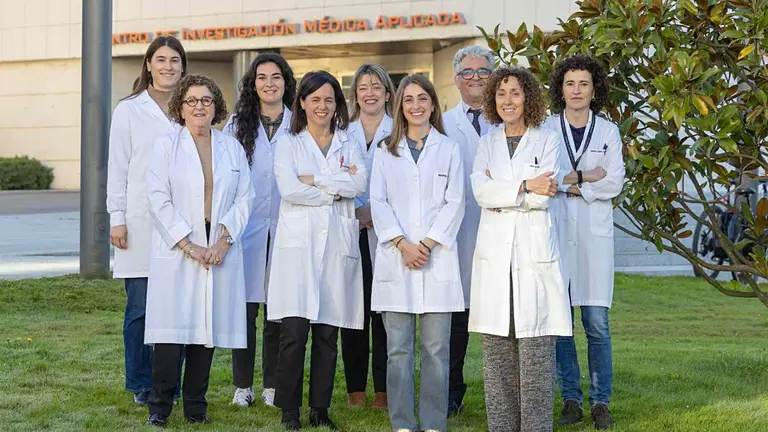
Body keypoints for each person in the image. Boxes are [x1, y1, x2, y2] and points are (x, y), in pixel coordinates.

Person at [144, 74, 253, 427]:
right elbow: (157, 198)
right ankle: (160, 407)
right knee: (170, 334)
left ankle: (195, 407)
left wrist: (224, 242)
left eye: (206, 100)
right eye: (191, 100)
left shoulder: (230, 147)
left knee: (205, 331)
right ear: (181, 106)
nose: (199, 107)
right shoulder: (166, 146)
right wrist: (188, 244)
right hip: (180, 247)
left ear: (216, 106)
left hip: (217, 247)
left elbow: (245, 198)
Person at [468, 66, 572, 432]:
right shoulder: (486, 143)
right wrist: (526, 185)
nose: (507, 100)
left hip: (533, 256)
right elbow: (480, 192)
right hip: (496, 257)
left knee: (536, 357)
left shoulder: (547, 139)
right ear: (492, 99)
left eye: (515, 92)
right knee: (497, 356)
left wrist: (507, 191)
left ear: (528, 97)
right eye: (501, 93)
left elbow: (546, 197)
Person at [268, 71, 369, 430]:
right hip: (298, 249)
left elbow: (359, 183)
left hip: (336, 247)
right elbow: (289, 189)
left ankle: (319, 410)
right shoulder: (288, 144)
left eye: (329, 99)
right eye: (315, 99)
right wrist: (333, 191)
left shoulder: (348, 142)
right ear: (302, 103)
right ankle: (289, 411)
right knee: (294, 334)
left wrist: (316, 179)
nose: (322, 106)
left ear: (337, 104)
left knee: (328, 335)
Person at [370, 74, 465, 432]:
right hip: (398, 259)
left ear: (432, 104)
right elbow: (377, 201)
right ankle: (403, 424)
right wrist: (403, 245)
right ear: (400, 107)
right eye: (408, 100)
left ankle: (433, 424)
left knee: (436, 353)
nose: (416, 106)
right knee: (398, 351)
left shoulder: (449, 149)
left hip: (435, 259)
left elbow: (456, 202)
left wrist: (424, 245)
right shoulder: (384, 150)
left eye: (422, 98)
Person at [542, 54, 624, 430]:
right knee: (561, 324)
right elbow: (547, 178)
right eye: (570, 83)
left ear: (595, 90)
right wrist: (586, 176)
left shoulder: (608, 132)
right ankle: (571, 399)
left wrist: (574, 183)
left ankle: (601, 400)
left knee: (596, 324)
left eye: (584, 84)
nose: (576, 91)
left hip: (593, 237)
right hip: (557, 233)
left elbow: (615, 182)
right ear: (561, 89)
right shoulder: (544, 129)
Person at [106, 36, 187, 407]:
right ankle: (141, 382)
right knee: (139, 308)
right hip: (139, 222)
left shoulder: (191, 107)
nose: (168, 66)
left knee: (177, 308)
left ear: (183, 67)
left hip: (182, 224)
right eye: (161, 60)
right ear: (148, 65)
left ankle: (171, 383)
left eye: (174, 60)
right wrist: (117, 218)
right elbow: (118, 167)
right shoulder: (129, 110)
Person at [223, 52, 296, 408]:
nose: (269, 83)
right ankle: (242, 385)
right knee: (245, 310)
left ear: (286, 82)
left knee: (277, 312)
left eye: (276, 77)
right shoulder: (236, 125)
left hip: (287, 227)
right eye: (262, 77)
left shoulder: (299, 123)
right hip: (247, 229)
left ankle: (272, 385)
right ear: (253, 84)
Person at [440, 45, 497, 416]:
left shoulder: (509, 120)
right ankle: (451, 393)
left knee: (499, 322)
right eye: (467, 73)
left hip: (498, 229)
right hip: (456, 234)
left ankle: (504, 395)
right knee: (454, 323)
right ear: (455, 80)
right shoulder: (441, 123)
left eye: (482, 72)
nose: (475, 78)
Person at [341, 63, 395, 410]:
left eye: (376, 86)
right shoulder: (342, 132)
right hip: (350, 228)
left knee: (386, 314)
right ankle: (355, 390)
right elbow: (336, 176)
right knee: (354, 312)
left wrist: (377, 212)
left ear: (388, 93)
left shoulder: (400, 131)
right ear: (355, 95)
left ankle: (384, 390)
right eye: (363, 87)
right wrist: (358, 211)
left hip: (389, 232)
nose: (370, 92)